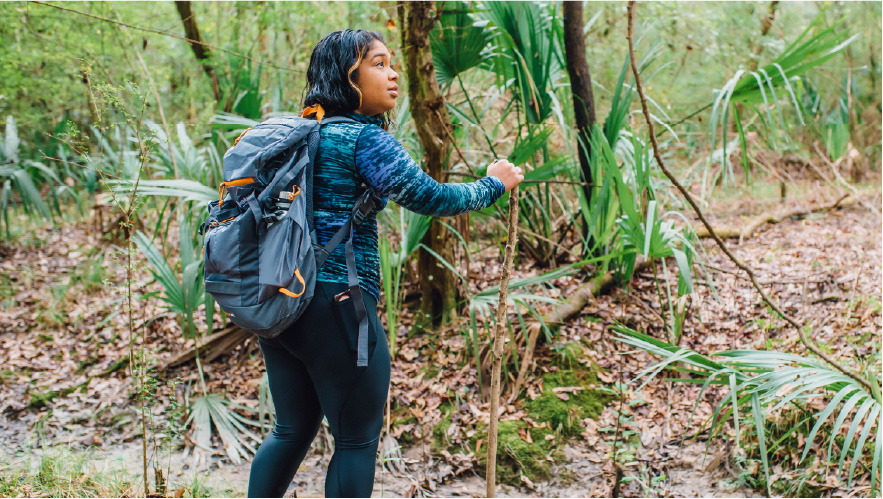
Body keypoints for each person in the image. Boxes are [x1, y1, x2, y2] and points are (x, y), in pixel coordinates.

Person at [247, 29, 524, 498]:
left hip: (280, 303)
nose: (393, 73)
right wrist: (493, 184)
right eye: (378, 63)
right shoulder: (360, 140)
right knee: (356, 440)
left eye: (392, 63)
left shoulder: (300, 135)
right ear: (347, 75)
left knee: (291, 430)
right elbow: (432, 198)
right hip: (335, 303)